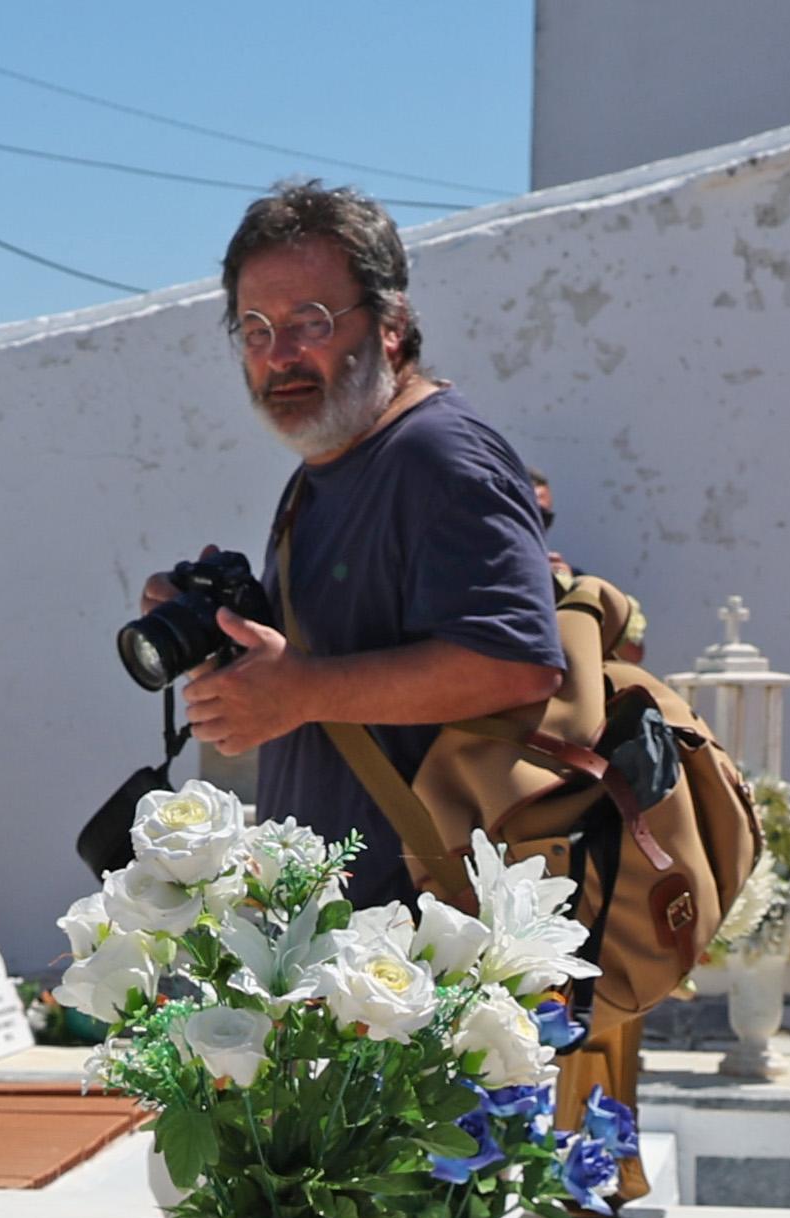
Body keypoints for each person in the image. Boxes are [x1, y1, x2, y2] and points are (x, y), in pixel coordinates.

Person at [158, 185, 559, 911]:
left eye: (310, 321)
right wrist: (220, 647)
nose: (279, 355)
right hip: (337, 938)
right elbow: (323, 672)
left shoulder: (440, 457)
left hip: (425, 944)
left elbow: (516, 664)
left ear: (391, 325)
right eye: (254, 329)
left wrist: (302, 691)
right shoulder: (319, 473)